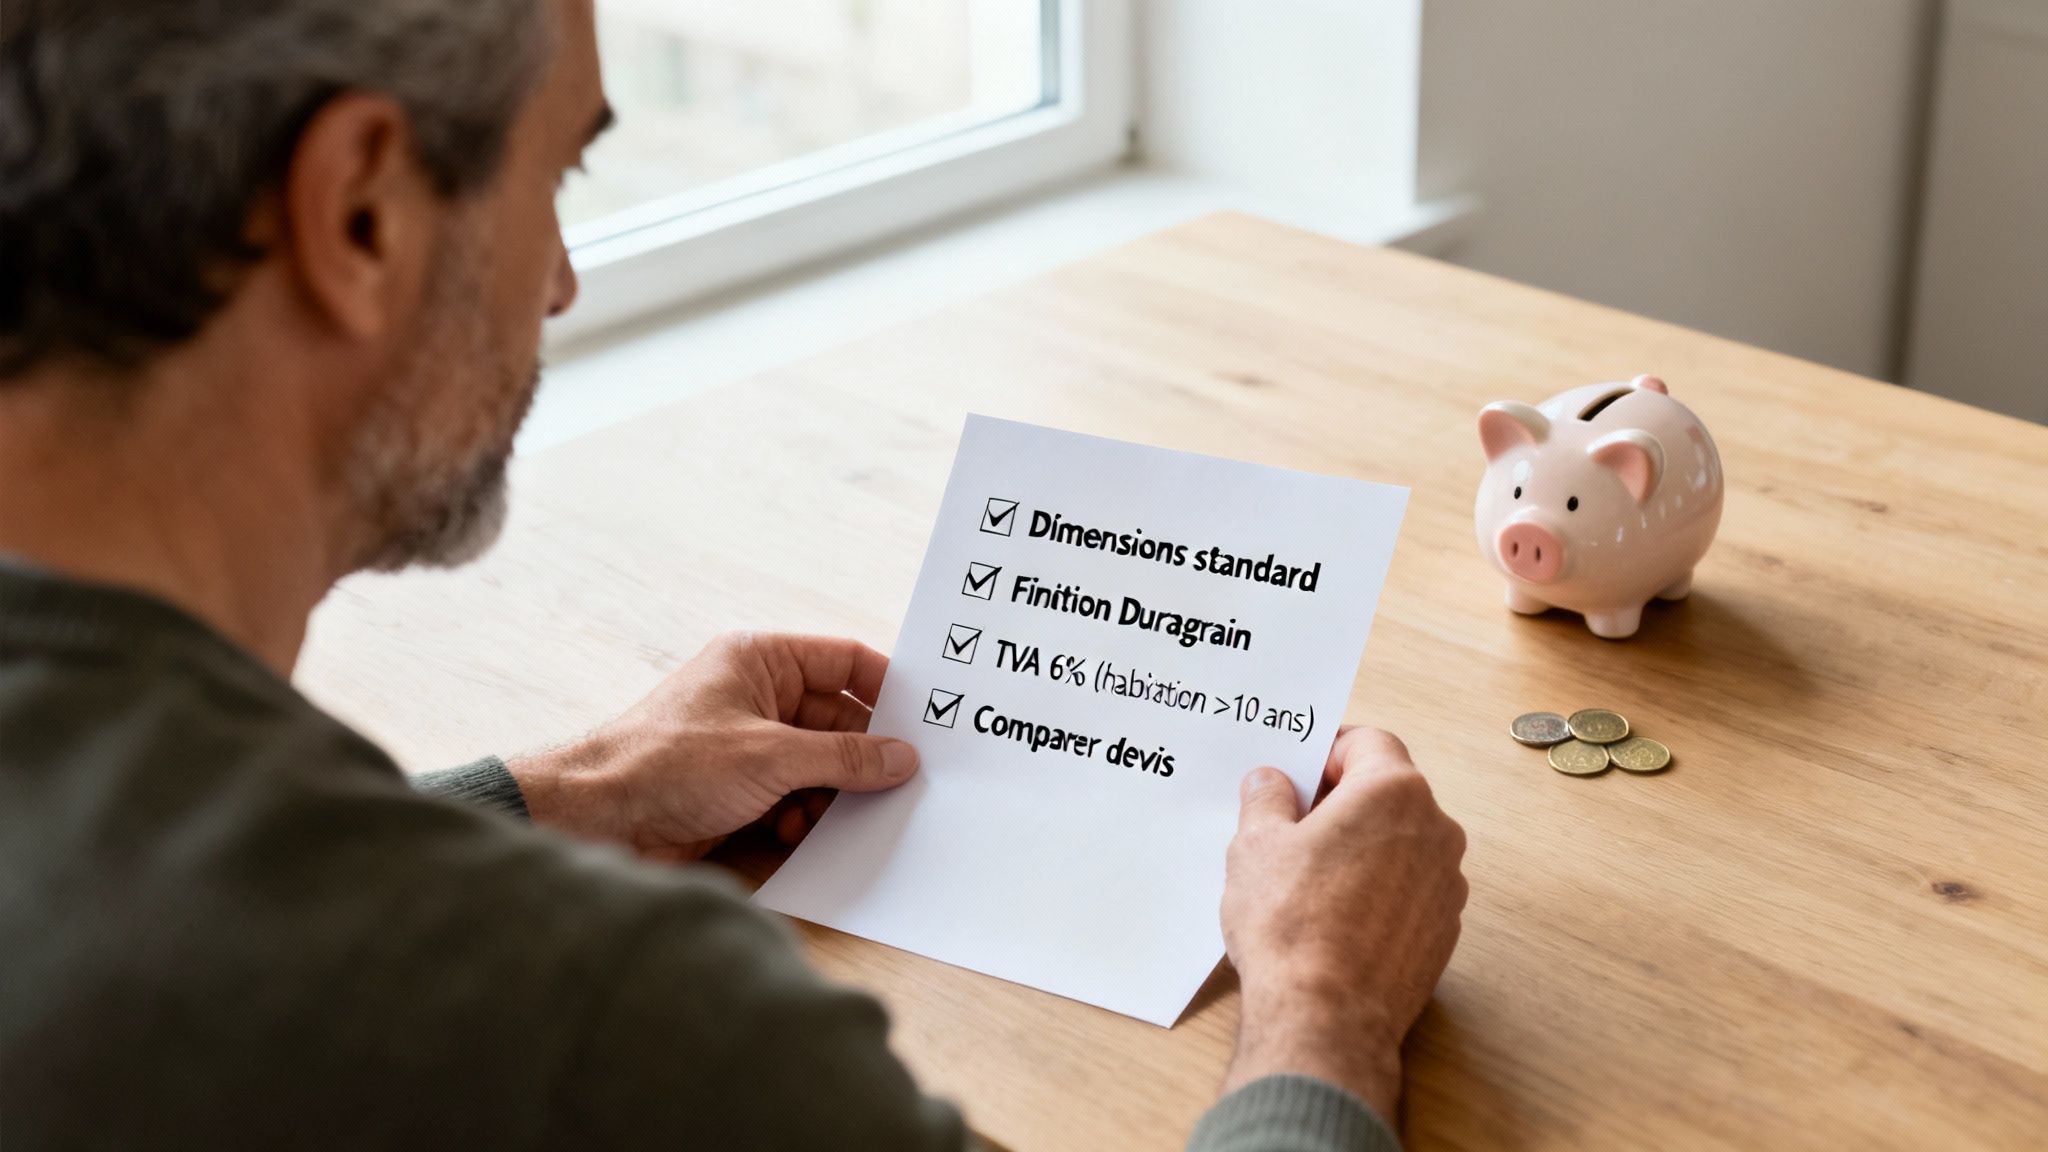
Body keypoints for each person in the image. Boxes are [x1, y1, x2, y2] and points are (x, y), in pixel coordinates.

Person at [0, 1, 1469, 1148]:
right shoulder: (600, 1025)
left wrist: (570, 791)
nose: (561, 280)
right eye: (555, 173)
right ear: (360, 212)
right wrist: (1323, 1008)